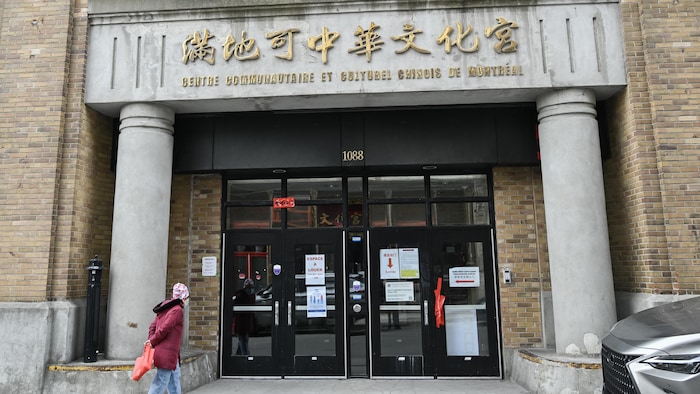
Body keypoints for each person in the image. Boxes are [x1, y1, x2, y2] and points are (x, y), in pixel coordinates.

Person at [146, 283, 189, 394]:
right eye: (187, 298)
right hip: (168, 353)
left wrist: (152, 340)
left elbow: (153, 326)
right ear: (183, 297)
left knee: (174, 382)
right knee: (160, 383)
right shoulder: (177, 310)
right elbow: (165, 328)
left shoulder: (165, 308)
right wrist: (152, 341)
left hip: (170, 354)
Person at [233, 278, 256, 355]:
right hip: (242, 323)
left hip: (246, 323)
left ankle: (238, 355)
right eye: (249, 288)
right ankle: (245, 356)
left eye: (251, 288)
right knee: (243, 341)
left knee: (243, 340)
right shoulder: (242, 296)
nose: (250, 290)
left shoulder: (251, 296)